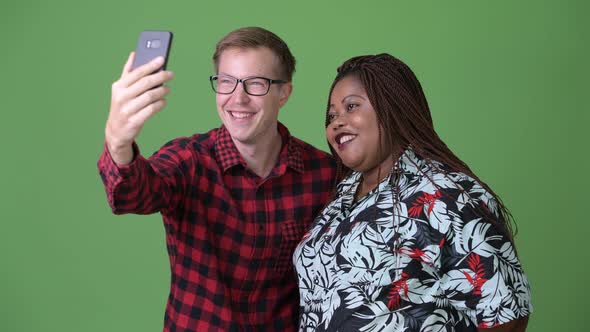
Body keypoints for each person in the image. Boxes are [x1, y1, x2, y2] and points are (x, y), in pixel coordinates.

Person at [98, 27, 336, 331]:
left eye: (255, 84)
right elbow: (132, 195)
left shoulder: (324, 174)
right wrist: (118, 144)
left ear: (283, 93)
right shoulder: (189, 160)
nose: (238, 98)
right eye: (226, 82)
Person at [293, 54, 532, 331]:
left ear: (391, 107)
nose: (336, 122)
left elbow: (507, 312)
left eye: (351, 106)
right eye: (332, 115)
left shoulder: (447, 194)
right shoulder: (341, 197)